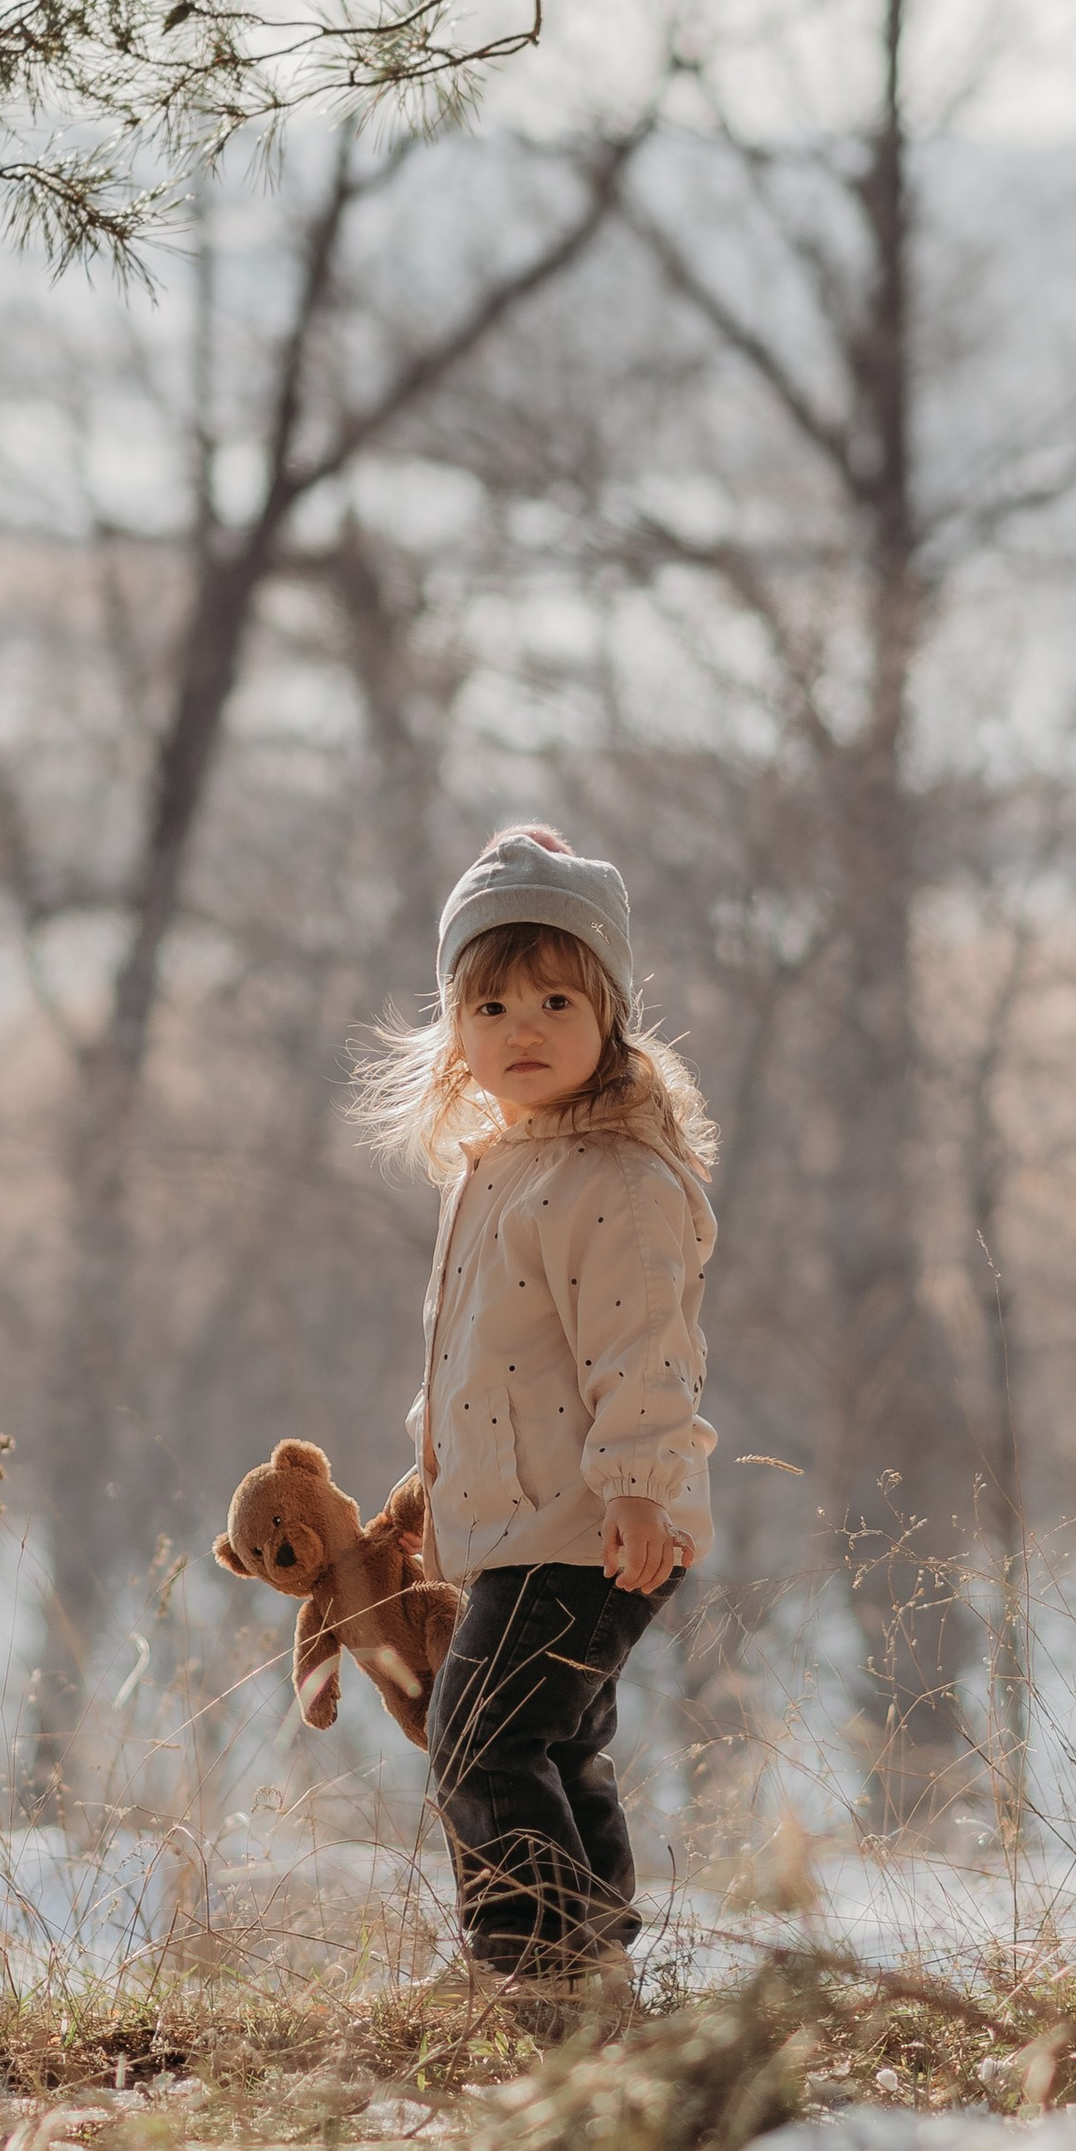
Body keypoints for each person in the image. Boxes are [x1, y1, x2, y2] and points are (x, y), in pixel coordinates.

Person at [354, 824, 717, 2012]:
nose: (524, 1027)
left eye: (556, 998)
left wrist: (640, 1486)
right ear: (454, 1027)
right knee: (553, 1744)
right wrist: (428, 1487)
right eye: (493, 1003)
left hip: (597, 1523)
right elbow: (480, 1361)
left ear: (608, 1012)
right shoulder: (501, 1165)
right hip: (527, 1519)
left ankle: (538, 1970)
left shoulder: (615, 1175)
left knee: (482, 1736)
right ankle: (596, 1968)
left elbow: (642, 1349)